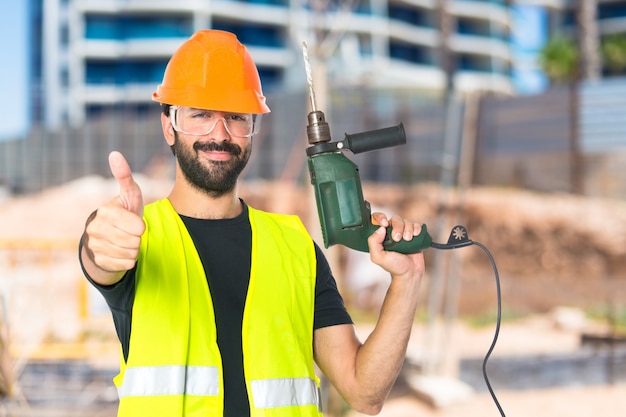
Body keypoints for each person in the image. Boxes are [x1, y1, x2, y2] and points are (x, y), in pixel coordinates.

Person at [79, 29, 425, 417]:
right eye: (200, 115)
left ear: (252, 130)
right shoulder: (136, 236)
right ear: (168, 126)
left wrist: (406, 280)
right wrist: (101, 241)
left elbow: (365, 393)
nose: (219, 134)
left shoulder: (295, 247)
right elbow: (101, 256)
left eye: (236, 118)